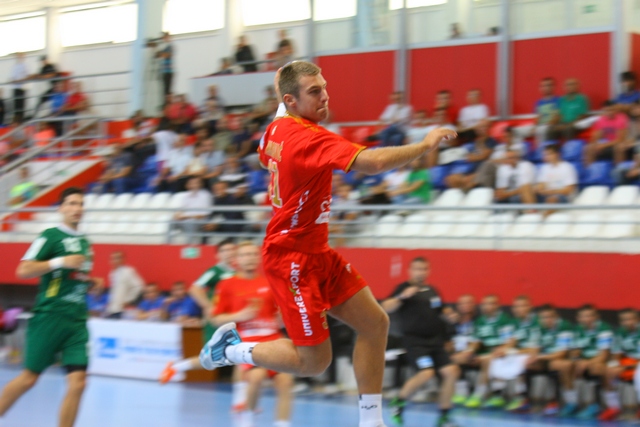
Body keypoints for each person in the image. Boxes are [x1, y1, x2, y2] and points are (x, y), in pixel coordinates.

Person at [199, 61, 456, 427]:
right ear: (291, 100)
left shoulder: (275, 129)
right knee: (315, 362)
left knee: (375, 323)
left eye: (324, 87)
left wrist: (285, 81)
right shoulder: (309, 138)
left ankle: (371, 421)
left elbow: (271, 130)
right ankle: (233, 349)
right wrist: (426, 144)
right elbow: (372, 162)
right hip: (291, 260)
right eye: (315, 91)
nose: (325, 96)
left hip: (318, 251)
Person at [0, 187, 92, 427]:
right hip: (50, 316)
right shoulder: (50, 236)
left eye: (80, 204)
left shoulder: (85, 242)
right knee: (29, 379)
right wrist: (61, 261)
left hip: (76, 321)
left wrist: (90, 281)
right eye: (71, 203)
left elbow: (72, 276)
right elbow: (23, 270)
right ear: (61, 208)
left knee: (79, 382)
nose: (77, 208)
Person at [210, 242, 294, 427]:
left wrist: (283, 317)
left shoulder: (269, 283)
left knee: (286, 381)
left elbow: (279, 316)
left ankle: (282, 424)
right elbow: (215, 319)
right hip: (246, 342)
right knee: (256, 377)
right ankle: (247, 420)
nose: (250, 258)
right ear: (237, 259)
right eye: (245, 255)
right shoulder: (226, 285)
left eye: (253, 254)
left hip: (273, 340)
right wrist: (239, 316)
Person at [381, 257, 460, 427]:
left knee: (451, 372)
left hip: (435, 341)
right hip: (415, 342)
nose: (420, 272)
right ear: (410, 271)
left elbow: (441, 309)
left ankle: (444, 417)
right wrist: (402, 296)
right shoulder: (403, 288)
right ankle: (398, 403)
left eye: (424, 269)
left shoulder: (432, 290)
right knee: (427, 373)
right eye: (417, 269)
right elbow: (386, 306)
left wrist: (450, 314)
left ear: (428, 271)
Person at [159, 239, 236, 385]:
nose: (229, 253)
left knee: (237, 353)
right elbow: (195, 288)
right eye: (225, 250)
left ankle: (244, 388)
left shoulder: (237, 273)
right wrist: (208, 307)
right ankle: (175, 367)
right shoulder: (215, 271)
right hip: (217, 320)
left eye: (232, 249)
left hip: (234, 319)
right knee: (212, 357)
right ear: (218, 255)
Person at [456, 295, 516, 409]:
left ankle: (479, 395)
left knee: (487, 360)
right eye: (484, 304)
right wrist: (469, 351)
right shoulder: (479, 321)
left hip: (500, 354)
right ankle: (461, 393)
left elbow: (509, 342)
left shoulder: (504, 319)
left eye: (490, 304)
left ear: (497, 305)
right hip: (484, 354)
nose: (486, 307)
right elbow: (475, 342)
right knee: (458, 357)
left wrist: (500, 350)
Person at [561, 304, 613, 419]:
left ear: (597, 317)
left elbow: (604, 355)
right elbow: (574, 352)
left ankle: (601, 405)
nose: (587, 319)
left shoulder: (603, 328)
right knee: (566, 366)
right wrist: (577, 360)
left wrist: (587, 363)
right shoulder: (577, 329)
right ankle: (572, 402)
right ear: (578, 319)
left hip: (602, 361)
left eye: (590, 316)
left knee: (597, 368)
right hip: (585, 360)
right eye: (584, 316)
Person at [524, 304, 574, 416]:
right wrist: (533, 357)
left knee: (557, 365)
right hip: (546, 358)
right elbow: (533, 349)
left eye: (550, 317)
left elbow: (561, 354)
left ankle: (560, 402)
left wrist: (540, 357)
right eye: (543, 317)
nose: (547, 320)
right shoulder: (537, 327)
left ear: (556, 317)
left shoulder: (564, 326)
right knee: (527, 364)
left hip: (563, 359)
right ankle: (527, 400)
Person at [599, 308, 640, 421]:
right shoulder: (620, 332)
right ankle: (614, 407)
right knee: (608, 369)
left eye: (630, 319)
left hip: (636, 364)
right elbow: (616, 354)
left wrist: (625, 367)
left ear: (637, 319)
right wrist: (614, 365)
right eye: (624, 320)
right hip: (629, 363)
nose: (627, 322)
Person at [585, 100, 633, 166]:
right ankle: (589, 169)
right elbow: (596, 136)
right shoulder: (601, 119)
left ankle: (618, 169)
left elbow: (620, 139)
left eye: (611, 110)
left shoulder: (622, 118)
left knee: (618, 147)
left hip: (619, 143)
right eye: (607, 110)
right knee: (589, 147)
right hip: (606, 142)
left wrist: (603, 145)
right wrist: (596, 144)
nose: (609, 112)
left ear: (615, 110)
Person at [450, 295, 477, 405]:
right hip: (455, 351)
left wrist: (468, 350)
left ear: (473, 305)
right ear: (457, 306)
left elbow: (477, 341)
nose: (465, 306)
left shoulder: (477, 321)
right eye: (462, 303)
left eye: (468, 303)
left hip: (472, 351)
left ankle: (463, 391)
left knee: (456, 359)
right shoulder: (453, 322)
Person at [535, 144, 578, 209]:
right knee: (530, 192)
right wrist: (539, 189)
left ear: (557, 154)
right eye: (545, 155)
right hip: (547, 195)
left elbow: (569, 190)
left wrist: (552, 191)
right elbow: (541, 185)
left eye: (549, 154)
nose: (547, 157)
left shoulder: (567, 167)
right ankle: (531, 211)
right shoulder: (545, 168)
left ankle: (544, 215)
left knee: (552, 199)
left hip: (564, 197)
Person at [104, 251, 144, 319]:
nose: (115, 260)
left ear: (123, 259)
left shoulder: (128, 271)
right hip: (112, 308)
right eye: (113, 258)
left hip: (122, 309)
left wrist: (128, 300)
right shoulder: (112, 273)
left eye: (118, 258)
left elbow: (139, 286)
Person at [10, 52, 29, 121]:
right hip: (15, 87)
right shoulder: (15, 66)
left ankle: (21, 120)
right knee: (16, 105)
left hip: (22, 87)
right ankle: (16, 120)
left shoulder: (25, 65)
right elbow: (13, 77)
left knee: (21, 105)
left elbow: (27, 76)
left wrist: (19, 80)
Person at [156, 32, 174, 97]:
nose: (165, 39)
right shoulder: (163, 47)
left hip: (169, 71)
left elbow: (167, 55)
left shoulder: (170, 46)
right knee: (165, 90)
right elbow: (157, 55)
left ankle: (168, 100)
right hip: (164, 71)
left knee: (167, 90)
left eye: (166, 37)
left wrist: (161, 54)